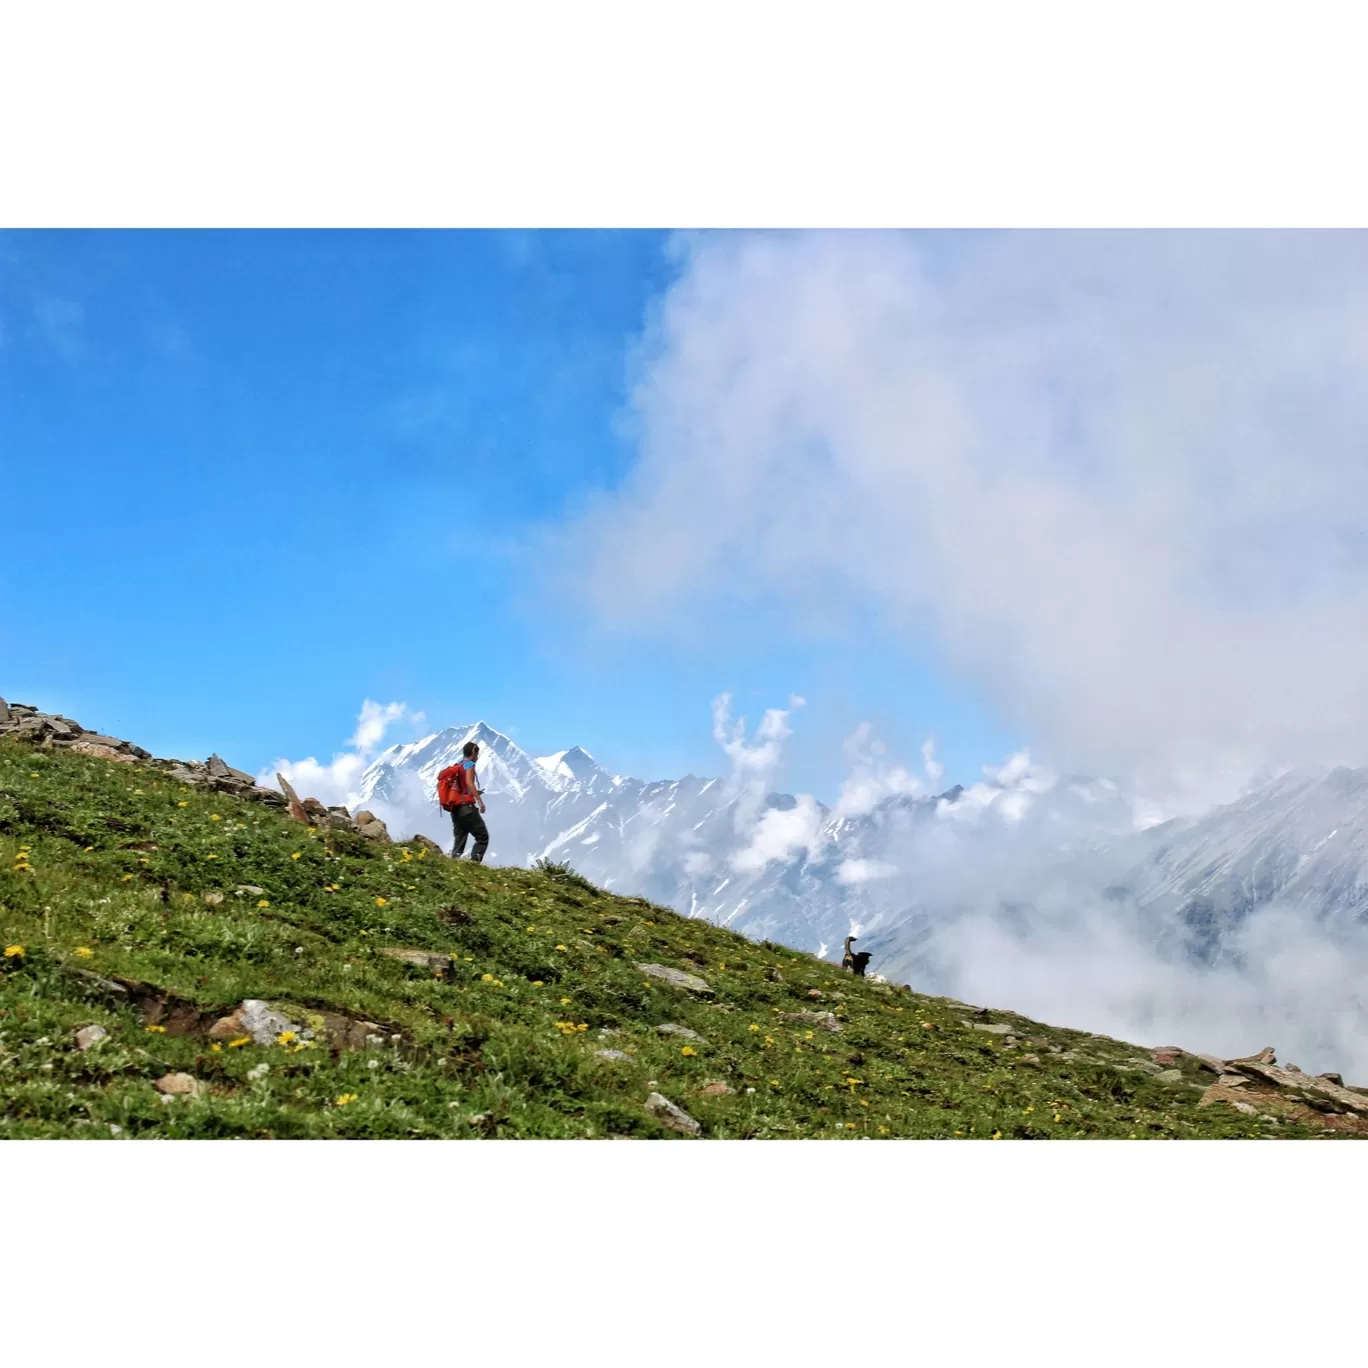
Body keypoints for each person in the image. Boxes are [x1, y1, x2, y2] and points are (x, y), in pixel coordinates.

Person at [438, 740, 489, 862]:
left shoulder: (459, 765)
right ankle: (474, 864)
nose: (477, 756)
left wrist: (474, 793)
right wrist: (480, 801)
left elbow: (463, 787)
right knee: (482, 836)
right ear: (473, 752)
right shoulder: (469, 765)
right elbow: (469, 784)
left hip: (456, 808)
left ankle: (453, 865)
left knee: (459, 841)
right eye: (477, 753)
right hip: (466, 808)